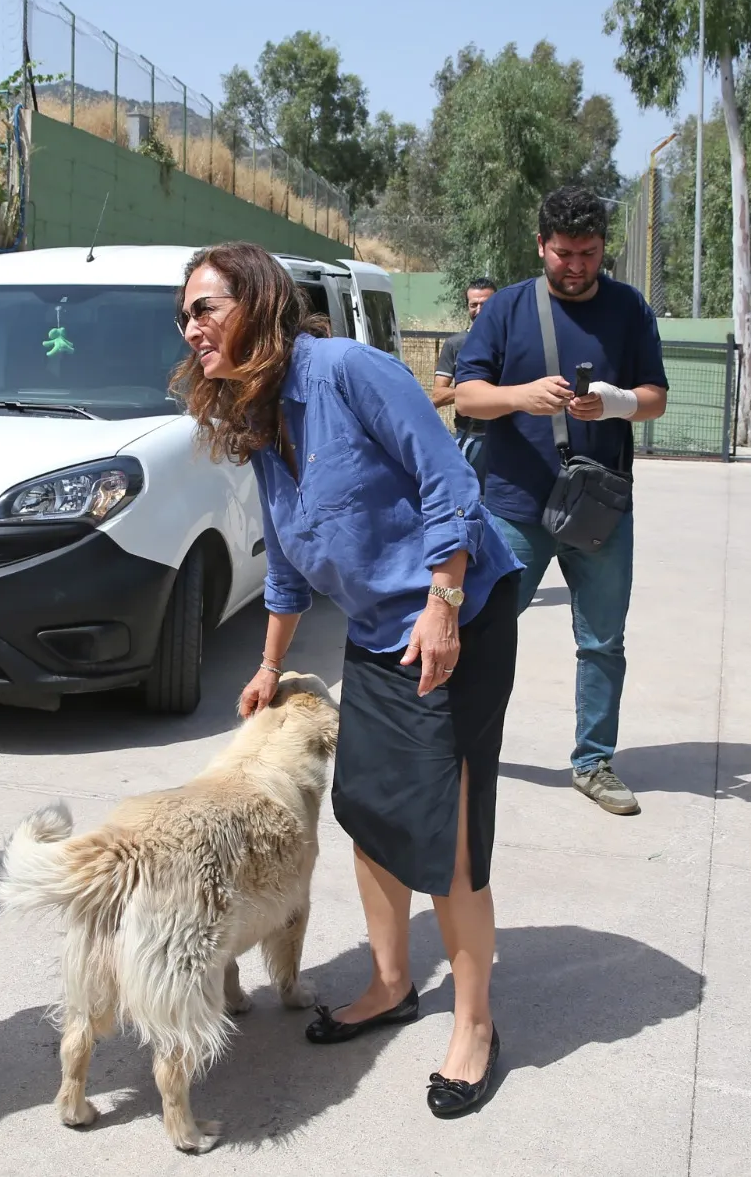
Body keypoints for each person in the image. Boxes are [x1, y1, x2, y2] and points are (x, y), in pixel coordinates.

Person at [174, 242, 523, 1118]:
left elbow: (451, 485)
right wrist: (265, 668)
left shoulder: (348, 372)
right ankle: (393, 981)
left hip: (461, 613)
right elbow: (290, 563)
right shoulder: (258, 415)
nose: (191, 327)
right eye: (184, 315)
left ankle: (474, 1025)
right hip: (377, 631)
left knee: (445, 833)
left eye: (205, 307)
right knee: (367, 804)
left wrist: (443, 603)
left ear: (256, 302)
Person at [453, 185, 668, 817]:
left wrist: (617, 402)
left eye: (590, 253)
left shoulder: (630, 309)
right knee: (481, 629)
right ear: (541, 244)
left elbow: (655, 395)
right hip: (515, 506)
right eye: (564, 253)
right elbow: (466, 397)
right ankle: (459, 744)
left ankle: (593, 762)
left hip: (599, 505)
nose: (576, 266)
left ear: (605, 248)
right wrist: (520, 396)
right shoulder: (508, 309)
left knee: (602, 640)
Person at [431, 279, 497, 488]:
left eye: (486, 304)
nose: (479, 310)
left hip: (506, 439)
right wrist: (473, 389)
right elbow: (438, 396)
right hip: (469, 437)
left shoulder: (512, 341)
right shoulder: (455, 344)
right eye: (473, 305)